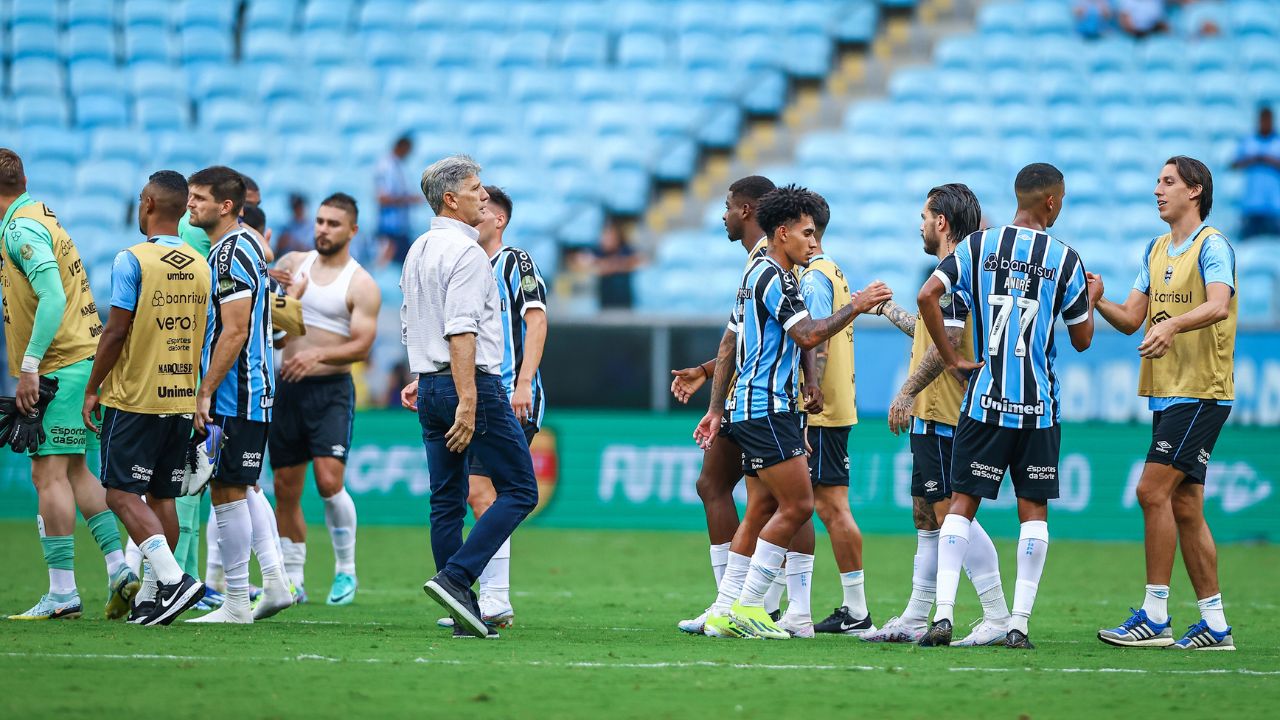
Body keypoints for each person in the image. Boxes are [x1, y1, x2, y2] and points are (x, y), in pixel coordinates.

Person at [695, 185, 891, 640]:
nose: (813, 242)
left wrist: (808, 384)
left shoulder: (760, 274)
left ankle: (725, 610)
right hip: (765, 407)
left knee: (762, 505)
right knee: (800, 504)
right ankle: (750, 606)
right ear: (781, 233)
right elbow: (807, 334)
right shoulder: (776, 278)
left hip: (759, 406)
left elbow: (756, 340)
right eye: (806, 233)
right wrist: (857, 305)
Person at [916, 163, 1095, 650]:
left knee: (961, 505)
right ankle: (1017, 624)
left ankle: (944, 615)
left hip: (985, 400)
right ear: (1052, 202)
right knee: (1032, 511)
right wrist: (1092, 298)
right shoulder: (1066, 259)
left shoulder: (978, 246)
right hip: (1038, 405)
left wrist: (953, 359)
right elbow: (1081, 339)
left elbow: (927, 294)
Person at [1092, 156, 1238, 651]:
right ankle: (1215, 626)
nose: (1157, 190)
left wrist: (1172, 324)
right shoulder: (1155, 249)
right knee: (1186, 505)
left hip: (1201, 390)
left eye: (1168, 182)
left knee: (1151, 492)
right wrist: (1096, 301)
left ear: (1194, 191)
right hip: (1168, 391)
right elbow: (1133, 318)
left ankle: (1155, 615)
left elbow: (1219, 303)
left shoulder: (1212, 246)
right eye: (1157, 181)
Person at [864, 183, 1012, 646]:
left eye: (925, 216)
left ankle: (998, 613)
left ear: (941, 222)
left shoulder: (958, 271)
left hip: (950, 412)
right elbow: (935, 336)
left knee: (954, 516)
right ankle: (914, 616)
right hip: (934, 414)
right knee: (927, 516)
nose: (920, 224)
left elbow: (944, 343)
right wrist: (891, 311)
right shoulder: (957, 272)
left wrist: (905, 392)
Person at [399, 155, 538, 639]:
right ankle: (457, 579)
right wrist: (468, 398)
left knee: (446, 500)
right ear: (451, 199)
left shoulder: (417, 248)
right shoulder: (469, 253)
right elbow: (461, 331)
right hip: (469, 384)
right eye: (476, 188)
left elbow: (411, 319)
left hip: (428, 381)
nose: (486, 196)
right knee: (521, 489)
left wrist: (423, 374)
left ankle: (464, 610)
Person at [0, 148, 133, 621]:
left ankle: (62, 592)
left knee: (46, 474)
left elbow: (52, 296)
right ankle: (119, 568)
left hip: (58, 363)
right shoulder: (40, 214)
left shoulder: (20, 229)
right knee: (76, 470)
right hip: (80, 358)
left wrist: (31, 366)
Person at [81, 170, 212, 626]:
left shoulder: (130, 260)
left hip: (135, 396)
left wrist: (93, 387)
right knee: (162, 498)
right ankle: (153, 599)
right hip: (180, 398)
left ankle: (174, 580)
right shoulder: (201, 265)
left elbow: (116, 330)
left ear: (150, 203)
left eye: (141, 201)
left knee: (119, 493)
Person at [432, 186, 546, 631]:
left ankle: (491, 598)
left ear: (499, 220)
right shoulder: (464, 264)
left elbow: (536, 321)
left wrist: (522, 384)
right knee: (467, 497)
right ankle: (481, 598)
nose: (475, 216)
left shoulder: (514, 262)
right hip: (467, 393)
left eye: (484, 211)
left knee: (484, 493)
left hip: (505, 396)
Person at [668, 175, 777, 634]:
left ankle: (761, 605)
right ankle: (727, 603)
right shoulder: (757, 262)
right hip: (740, 395)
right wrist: (707, 370)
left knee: (780, 500)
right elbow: (741, 338)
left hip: (767, 398)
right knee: (713, 485)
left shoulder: (772, 261)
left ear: (748, 210)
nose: (724, 215)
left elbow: (795, 337)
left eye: (730, 206)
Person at [183, 166, 291, 624]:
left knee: (226, 488)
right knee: (239, 486)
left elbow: (235, 330)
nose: (190, 205)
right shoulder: (241, 246)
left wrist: (205, 391)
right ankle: (273, 582)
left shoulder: (229, 255)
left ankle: (233, 604)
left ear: (225, 206)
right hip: (250, 388)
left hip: (235, 392)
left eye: (198, 198)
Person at [269, 193, 381, 606]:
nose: (323, 229)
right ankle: (294, 579)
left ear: (352, 231)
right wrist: (287, 304)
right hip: (288, 390)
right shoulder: (292, 265)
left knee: (330, 481)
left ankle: (346, 571)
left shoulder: (361, 283)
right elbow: (276, 335)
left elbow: (362, 346)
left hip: (330, 392)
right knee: (284, 487)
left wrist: (317, 355)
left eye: (333, 223)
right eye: (319, 221)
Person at [786, 194, 876, 639]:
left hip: (820, 410)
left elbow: (815, 338)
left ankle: (853, 608)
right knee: (823, 506)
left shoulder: (814, 277)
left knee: (824, 507)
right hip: (839, 406)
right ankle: (853, 608)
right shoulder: (832, 269)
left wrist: (809, 392)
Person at [1231, 106, 1280, 240]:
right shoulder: (1248, 141)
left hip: (1274, 207)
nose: (1265, 123)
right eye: (1263, 120)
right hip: (1252, 205)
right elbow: (1234, 164)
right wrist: (1253, 160)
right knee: (1248, 246)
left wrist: (1269, 160)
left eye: (1268, 120)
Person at [377, 135, 419, 263]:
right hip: (390, 227)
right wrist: (408, 200)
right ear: (401, 147)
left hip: (401, 227)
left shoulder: (398, 166)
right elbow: (382, 199)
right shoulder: (385, 167)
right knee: (386, 262)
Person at [593, 219, 643, 310]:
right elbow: (584, 263)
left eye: (610, 236)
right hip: (605, 302)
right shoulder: (597, 251)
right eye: (605, 236)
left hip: (624, 301)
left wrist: (615, 265)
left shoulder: (625, 250)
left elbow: (641, 261)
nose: (607, 239)